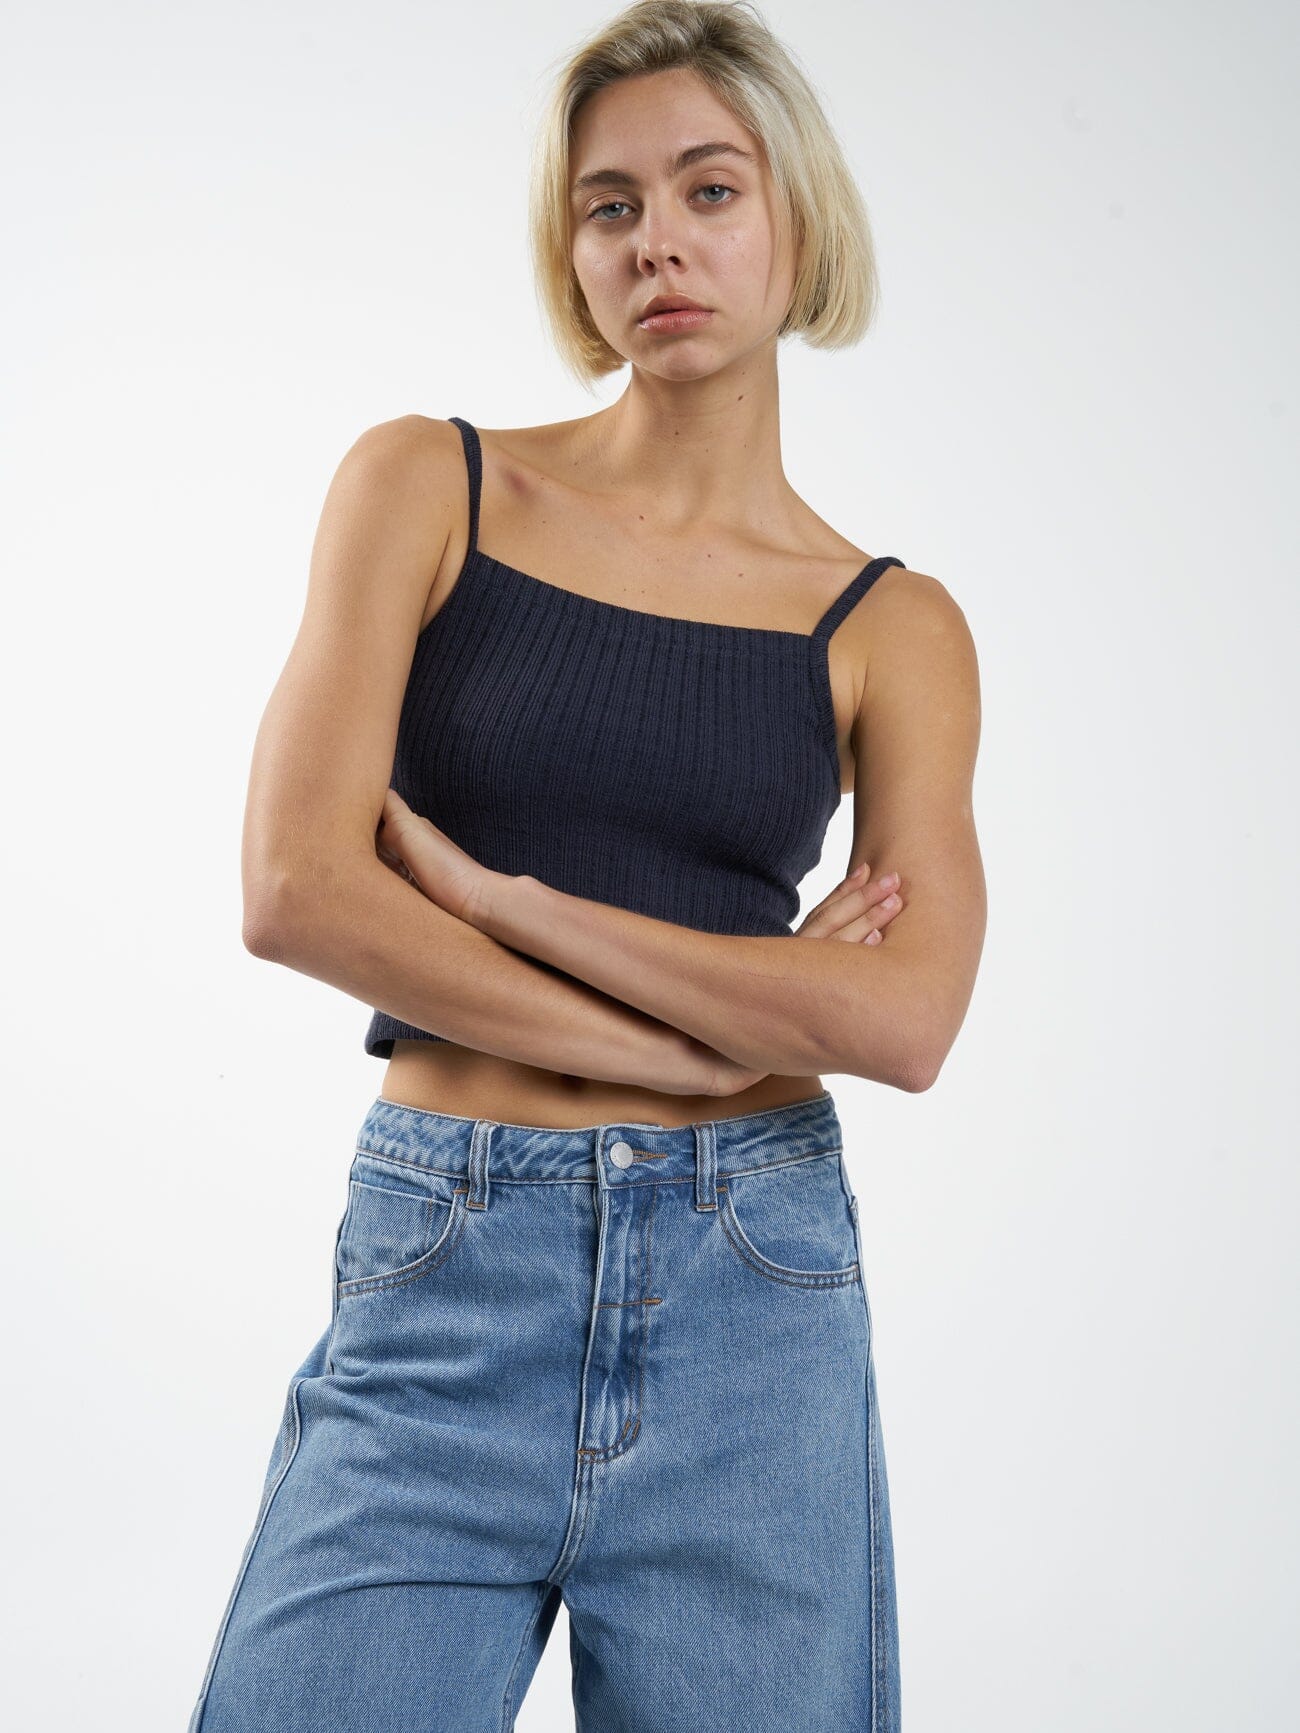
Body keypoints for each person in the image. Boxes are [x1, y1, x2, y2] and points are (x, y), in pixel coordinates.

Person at [185, 3, 985, 1728]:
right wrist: (700, 1037)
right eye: (609, 205)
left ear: (799, 219)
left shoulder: (892, 624)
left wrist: (511, 903)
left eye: (710, 189)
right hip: (448, 1264)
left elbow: (910, 1016)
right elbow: (297, 887)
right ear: (573, 251)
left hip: (753, 1297)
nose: (656, 242)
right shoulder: (429, 484)